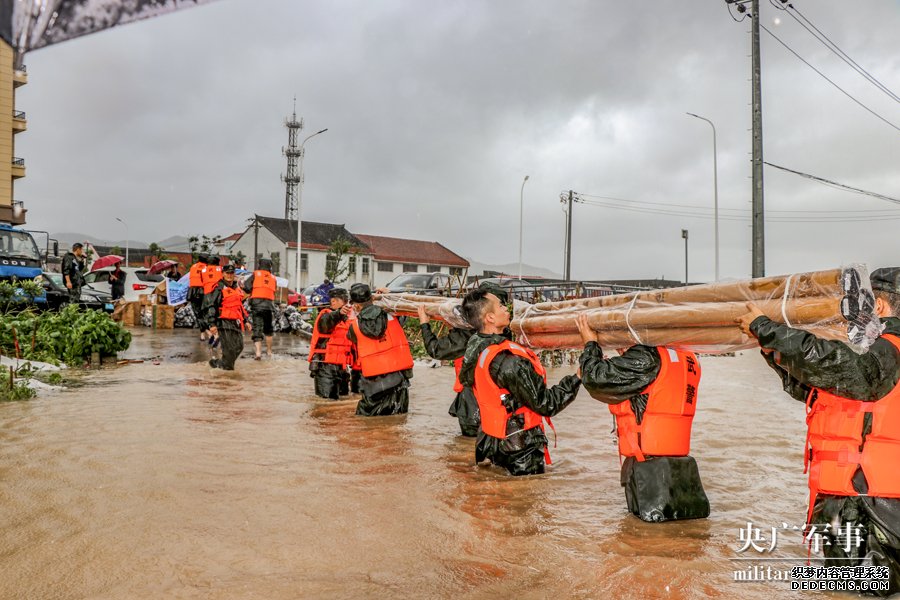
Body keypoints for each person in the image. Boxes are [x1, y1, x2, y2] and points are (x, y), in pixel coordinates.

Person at [736, 267, 900, 595]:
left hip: (867, 507)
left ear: (878, 308)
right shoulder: (872, 361)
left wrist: (765, 328)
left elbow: (833, 363)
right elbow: (812, 386)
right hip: (863, 502)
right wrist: (769, 345)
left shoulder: (887, 351)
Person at [574, 314, 710, 522]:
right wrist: (627, 357)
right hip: (680, 470)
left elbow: (595, 378)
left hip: (648, 468)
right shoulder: (688, 357)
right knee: (673, 540)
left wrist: (590, 344)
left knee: (647, 541)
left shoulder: (646, 357)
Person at [458, 288, 581, 476]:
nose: (506, 308)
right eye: (500, 306)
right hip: (520, 449)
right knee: (525, 502)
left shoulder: (476, 346)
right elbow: (546, 404)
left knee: (501, 499)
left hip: (491, 440)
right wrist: (578, 377)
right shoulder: (510, 362)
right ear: (490, 318)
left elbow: (472, 381)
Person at [417, 282, 511, 437]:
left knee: (470, 448)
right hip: (501, 402)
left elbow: (436, 350)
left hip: (474, 402)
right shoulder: (507, 330)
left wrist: (424, 324)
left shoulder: (467, 334)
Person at [347, 283, 414, 416]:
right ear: (372, 298)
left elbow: (353, 338)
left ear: (356, 306)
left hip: (374, 386)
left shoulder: (353, 327)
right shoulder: (392, 315)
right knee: (398, 422)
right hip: (398, 380)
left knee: (368, 424)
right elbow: (406, 308)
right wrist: (389, 295)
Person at [308, 288, 355, 399]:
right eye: (345, 301)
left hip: (342, 367)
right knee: (327, 403)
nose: (347, 304)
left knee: (343, 401)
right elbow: (327, 323)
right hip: (325, 367)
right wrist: (339, 313)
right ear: (334, 301)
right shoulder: (325, 316)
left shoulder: (348, 319)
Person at [205, 264, 250, 371]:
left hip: (236, 321)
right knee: (229, 349)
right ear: (223, 274)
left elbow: (239, 306)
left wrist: (246, 320)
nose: (229, 275)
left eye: (231, 273)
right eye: (227, 273)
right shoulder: (218, 288)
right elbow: (212, 306)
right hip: (223, 321)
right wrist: (212, 324)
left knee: (239, 347)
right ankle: (227, 374)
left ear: (234, 274)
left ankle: (220, 364)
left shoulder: (236, 287)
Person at [242, 258, 277, 360]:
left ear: (259, 265)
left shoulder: (255, 274)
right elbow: (273, 290)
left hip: (256, 306)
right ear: (270, 266)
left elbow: (247, 287)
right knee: (268, 329)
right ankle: (269, 351)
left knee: (257, 328)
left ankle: (258, 353)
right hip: (269, 306)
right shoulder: (273, 278)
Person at [201, 256, 223, 344]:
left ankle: (215, 335)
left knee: (209, 315)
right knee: (218, 314)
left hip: (207, 295)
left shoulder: (203, 270)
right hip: (218, 294)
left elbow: (203, 280)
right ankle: (216, 334)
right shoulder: (220, 269)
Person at [188, 255, 209, 337]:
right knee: (205, 312)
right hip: (203, 291)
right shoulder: (206, 268)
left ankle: (203, 332)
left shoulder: (193, 267)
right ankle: (206, 331)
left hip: (193, 291)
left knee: (198, 313)